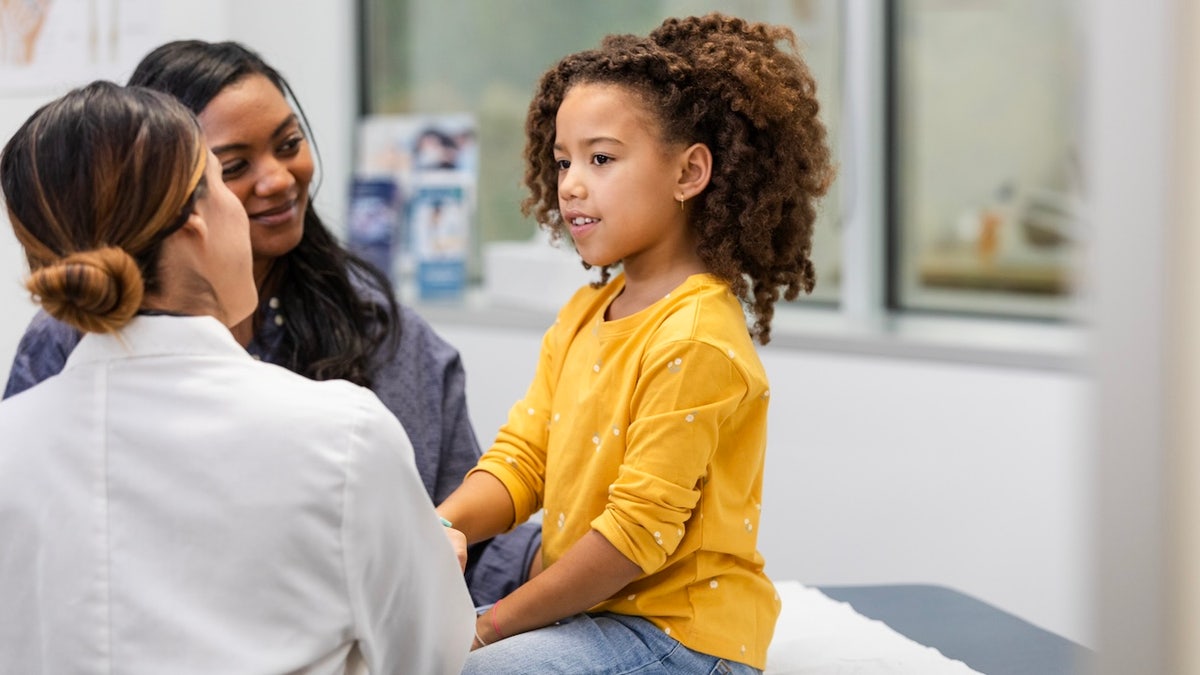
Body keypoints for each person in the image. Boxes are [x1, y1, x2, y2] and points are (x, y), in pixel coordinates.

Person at [1, 39, 540, 606]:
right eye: (231, 168)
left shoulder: (382, 332)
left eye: (289, 144)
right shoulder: (64, 351)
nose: (279, 180)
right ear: (166, 200)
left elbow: (464, 549)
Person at [436, 12, 834, 674]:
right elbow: (523, 459)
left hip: (680, 638)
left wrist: (489, 627)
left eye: (601, 158)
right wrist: (443, 527)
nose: (570, 183)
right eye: (562, 161)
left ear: (689, 172)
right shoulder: (585, 311)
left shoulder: (698, 336)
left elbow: (629, 540)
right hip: (595, 618)